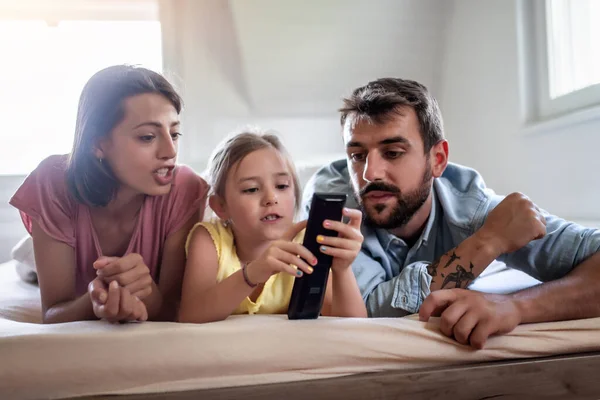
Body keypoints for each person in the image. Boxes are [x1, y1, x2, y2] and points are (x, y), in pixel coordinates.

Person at [301, 78, 600, 348]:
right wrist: (486, 244)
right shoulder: (330, 205)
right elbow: (361, 311)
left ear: (438, 159)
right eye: (357, 155)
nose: (370, 173)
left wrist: (515, 307)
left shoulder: (474, 209)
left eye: (392, 153)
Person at [10, 65, 208, 324]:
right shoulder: (53, 182)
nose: (170, 151)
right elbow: (53, 313)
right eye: (148, 137)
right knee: (26, 264)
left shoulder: (185, 189)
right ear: (97, 144)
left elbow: (173, 311)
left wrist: (144, 291)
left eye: (174, 133)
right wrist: (96, 299)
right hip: (46, 246)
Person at [178, 130, 367, 323]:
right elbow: (190, 315)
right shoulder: (209, 239)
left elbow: (354, 327)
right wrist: (253, 273)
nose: (271, 198)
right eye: (251, 189)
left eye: (282, 186)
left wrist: (342, 270)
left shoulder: (307, 244)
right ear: (220, 206)